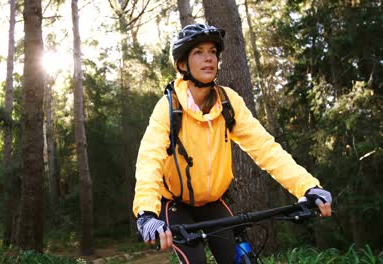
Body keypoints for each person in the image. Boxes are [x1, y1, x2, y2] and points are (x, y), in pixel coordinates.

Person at [132, 23, 332, 264]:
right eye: (198, 52)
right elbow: (149, 160)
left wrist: (307, 187)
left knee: (240, 261)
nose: (208, 59)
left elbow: (265, 148)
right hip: (176, 206)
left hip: (214, 202)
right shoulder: (169, 107)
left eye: (212, 52)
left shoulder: (228, 103)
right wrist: (146, 213)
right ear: (182, 64)